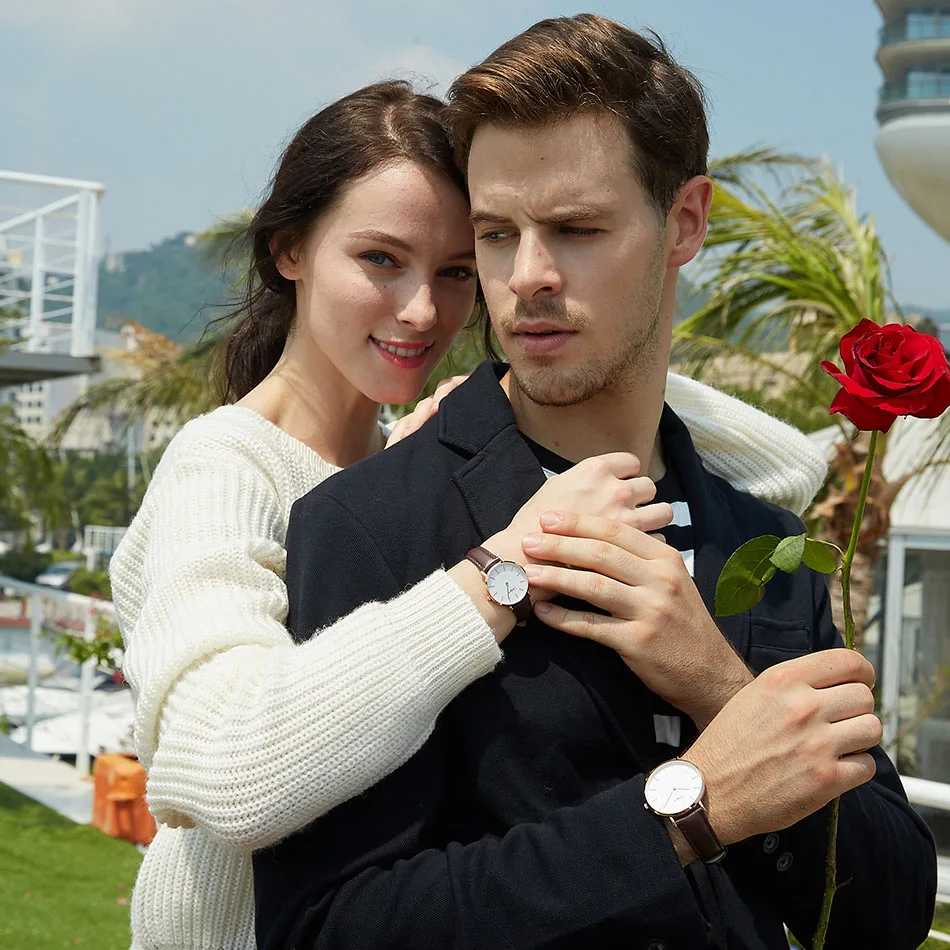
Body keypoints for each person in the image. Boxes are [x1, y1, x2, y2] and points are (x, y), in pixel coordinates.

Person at [256, 16, 936, 950]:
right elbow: (327, 928)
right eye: (497, 234)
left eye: (576, 229)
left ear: (685, 221)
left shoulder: (767, 541)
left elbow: (891, 913)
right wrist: (691, 809)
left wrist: (718, 685)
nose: (527, 277)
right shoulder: (371, 523)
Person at [110, 79, 826, 950]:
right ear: (290, 249)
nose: (422, 310)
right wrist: (502, 568)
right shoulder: (223, 466)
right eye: (381, 259)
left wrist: (504, 403)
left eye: (456, 271)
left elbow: (789, 465)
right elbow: (224, 767)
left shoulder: (403, 451)